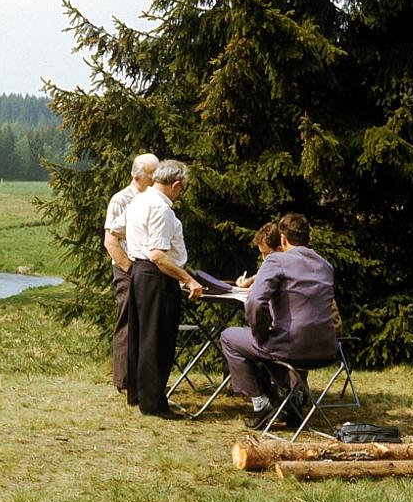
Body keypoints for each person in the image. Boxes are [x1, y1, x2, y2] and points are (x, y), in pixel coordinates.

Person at [219, 213, 339, 429]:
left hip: (290, 345)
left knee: (229, 337)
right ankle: (293, 402)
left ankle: (261, 403)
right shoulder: (325, 265)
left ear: (283, 240)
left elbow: (255, 303)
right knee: (288, 339)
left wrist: (260, 333)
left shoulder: (276, 260)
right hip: (327, 349)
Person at [115, 159, 203, 419]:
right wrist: (187, 279)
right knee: (158, 340)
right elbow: (158, 255)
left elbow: (114, 231)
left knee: (141, 337)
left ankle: (139, 395)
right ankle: (154, 404)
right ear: (176, 184)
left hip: (139, 273)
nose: (180, 193)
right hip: (157, 276)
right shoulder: (162, 209)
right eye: (181, 188)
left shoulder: (138, 200)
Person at [102, 153, 160, 393]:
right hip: (129, 269)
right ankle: (124, 380)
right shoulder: (121, 200)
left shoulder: (154, 198)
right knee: (127, 322)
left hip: (148, 269)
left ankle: (143, 378)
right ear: (137, 176)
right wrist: (130, 270)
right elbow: (110, 241)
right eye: (152, 175)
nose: (156, 178)